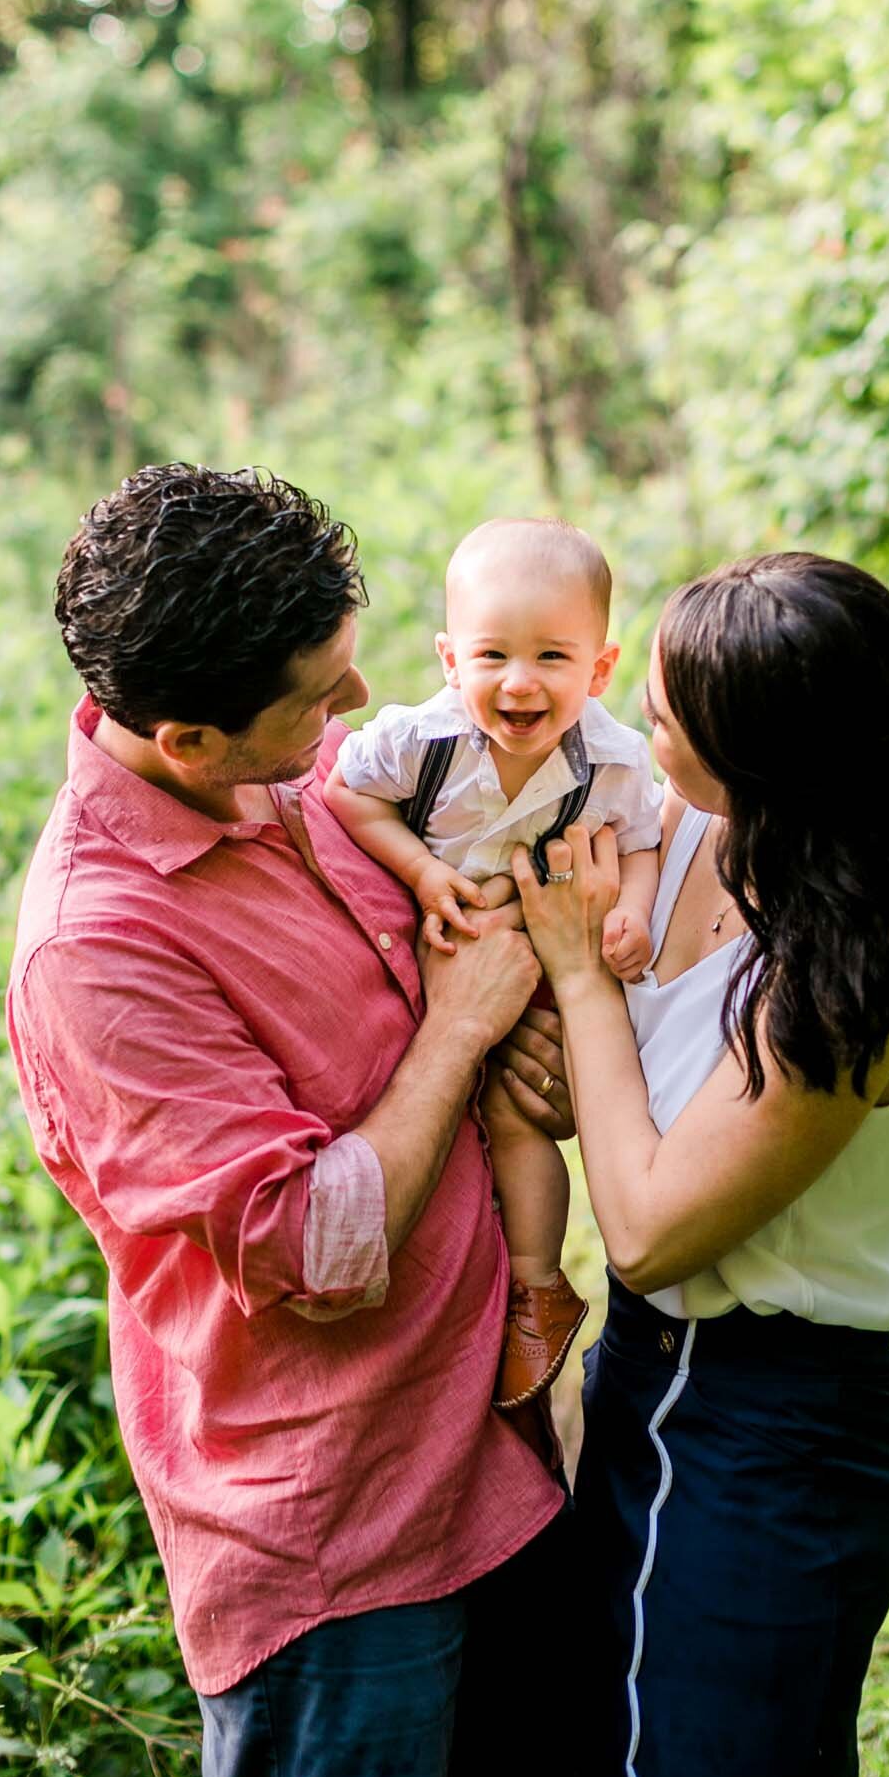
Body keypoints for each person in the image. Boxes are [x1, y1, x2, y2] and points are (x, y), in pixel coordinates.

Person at [5, 463, 598, 1777]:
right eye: (322, 700)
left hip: (490, 1461)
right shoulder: (102, 945)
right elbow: (312, 1251)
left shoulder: (298, 787)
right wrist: (463, 1031)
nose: (364, 705)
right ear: (187, 739)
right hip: (340, 1537)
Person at [513, 552, 889, 1777]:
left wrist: (575, 980)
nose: (643, 725)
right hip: (650, 1388)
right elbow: (586, 1107)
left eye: (674, 707)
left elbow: (648, 1221)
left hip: (769, 1431)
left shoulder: (868, 961)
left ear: (775, 746)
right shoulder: (701, 833)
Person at [325, 515, 661, 1408]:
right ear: (449, 660)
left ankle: (537, 1288)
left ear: (598, 669)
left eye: (552, 658)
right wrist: (423, 869)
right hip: (445, 947)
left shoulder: (613, 760)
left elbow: (641, 843)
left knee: (516, 1113)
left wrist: (629, 908)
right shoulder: (419, 741)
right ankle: (445, 1313)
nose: (519, 682)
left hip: (542, 955)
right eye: (491, 657)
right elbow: (346, 794)